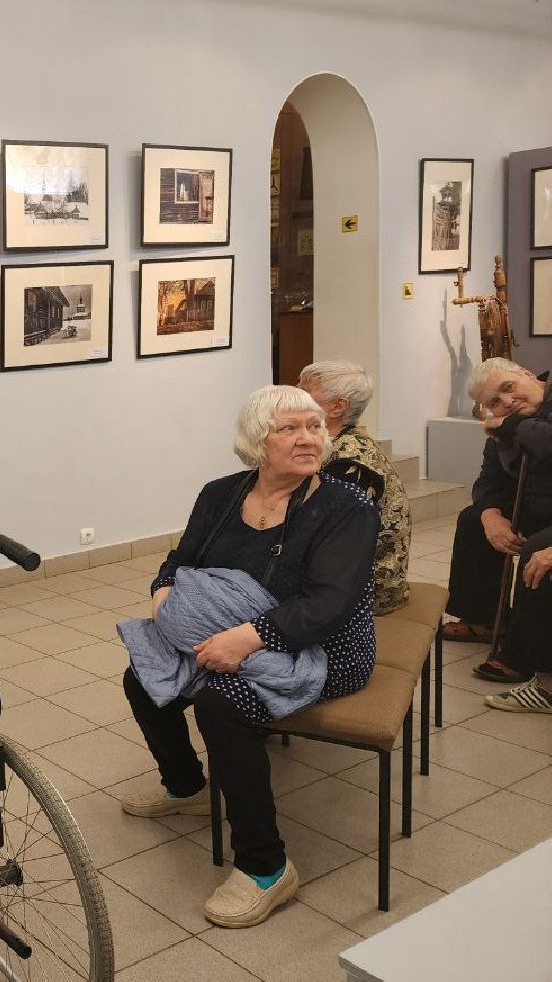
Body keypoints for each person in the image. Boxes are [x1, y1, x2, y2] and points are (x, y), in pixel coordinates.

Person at [119, 386, 376, 929]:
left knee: (222, 704)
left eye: (314, 427)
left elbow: (329, 604)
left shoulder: (344, 508)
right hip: (221, 628)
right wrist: (164, 593)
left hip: (322, 645)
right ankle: (187, 787)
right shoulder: (221, 494)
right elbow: (181, 558)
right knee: (142, 674)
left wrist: (250, 638)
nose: (308, 438)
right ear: (257, 440)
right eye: (290, 429)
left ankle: (266, 866)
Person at [441, 359, 552, 690]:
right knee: (473, 520)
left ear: (529, 375)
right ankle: (484, 619)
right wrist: (491, 515)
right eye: (494, 403)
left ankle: (521, 655)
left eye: (509, 387)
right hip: (537, 508)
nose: (506, 402)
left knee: (536, 548)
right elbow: (488, 480)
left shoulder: (507, 423)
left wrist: (511, 426)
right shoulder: (503, 426)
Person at [298, 360, 410, 613]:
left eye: (304, 393)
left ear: (337, 407)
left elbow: (330, 542)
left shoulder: (350, 461)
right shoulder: (339, 442)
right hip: (351, 573)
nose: (293, 396)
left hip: (369, 589)